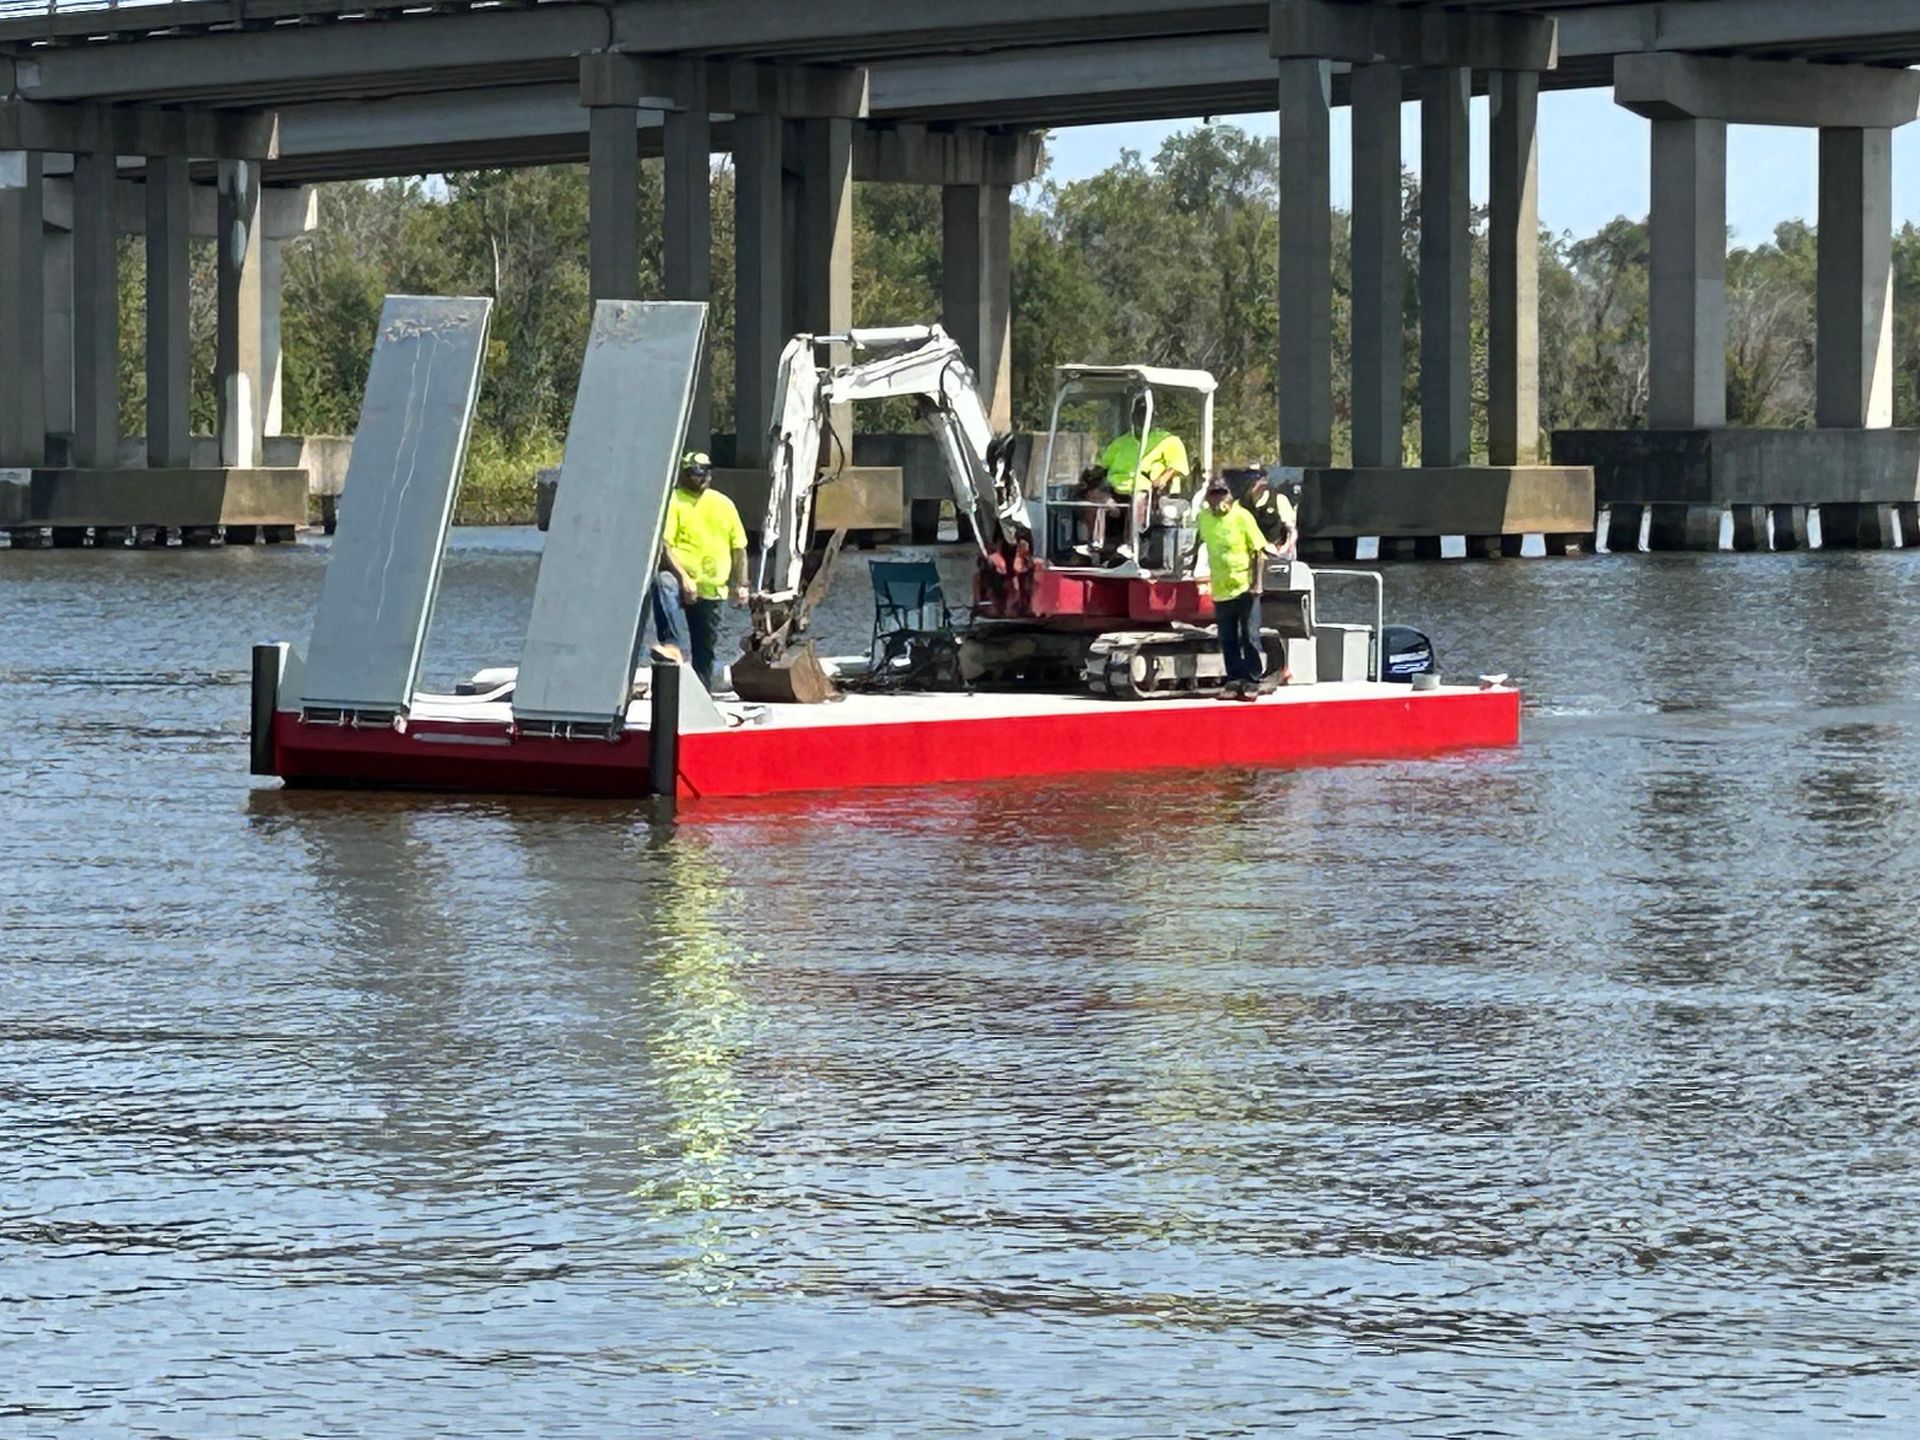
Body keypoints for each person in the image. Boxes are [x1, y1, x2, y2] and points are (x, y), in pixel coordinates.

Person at [653, 450, 748, 692]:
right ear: (685, 474)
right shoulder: (674, 500)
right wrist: (684, 578)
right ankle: (672, 644)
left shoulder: (723, 504)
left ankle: (701, 694)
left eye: (705, 472)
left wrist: (742, 584)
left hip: (712, 589)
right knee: (662, 583)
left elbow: (739, 548)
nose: (701, 477)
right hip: (680, 580)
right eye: (695, 473)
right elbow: (665, 545)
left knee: (704, 651)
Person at [1188, 476, 1275, 701]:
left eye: (1221, 493)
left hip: (1245, 587)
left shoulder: (1242, 517)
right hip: (1221, 587)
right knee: (1227, 637)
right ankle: (1234, 678)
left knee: (1250, 635)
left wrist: (1257, 584)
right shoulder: (1205, 518)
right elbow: (1200, 542)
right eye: (1213, 494)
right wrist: (1190, 563)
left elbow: (1258, 551)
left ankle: (1253, 679)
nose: (1217, 499)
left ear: (1229, 495)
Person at [1244, 472, 1298, 559]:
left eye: (1258, 477)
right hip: (1253, 553)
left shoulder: (1278, 500)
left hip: (1278, 552)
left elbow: (1292, 531)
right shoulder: (1242, 504)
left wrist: (1285, 547)